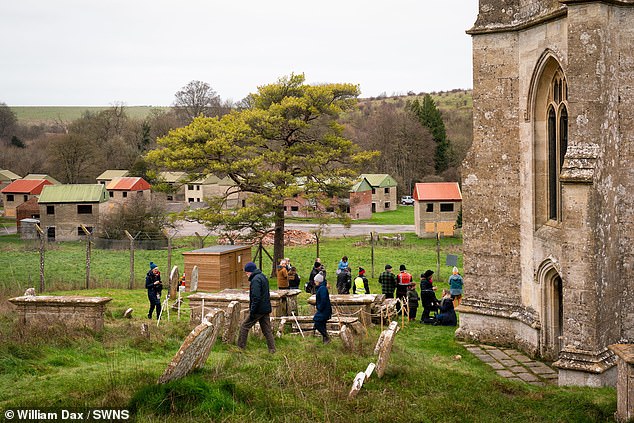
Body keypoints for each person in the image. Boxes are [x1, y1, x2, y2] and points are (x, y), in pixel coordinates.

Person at [237, 262, 276, 353]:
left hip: (258, 309)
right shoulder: (263, 277)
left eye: (246, 273)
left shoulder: (255, 280)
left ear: (250, 271)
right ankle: (272, 349)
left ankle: (240, 349)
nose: (246, 275)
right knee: (267, 330)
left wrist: (252, 311)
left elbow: (256, 297)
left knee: (244, 327)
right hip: (265, 308)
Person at [313, 273, 332, 344]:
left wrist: (319, 307)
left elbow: (323, 299)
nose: (314, 282)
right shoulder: (321, 288)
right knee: (322, 323)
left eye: (315, 281)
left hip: (324, 309)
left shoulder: (322, 289)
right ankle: (325, 339)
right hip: (324, 309)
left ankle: (326, 336)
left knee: (317, 321)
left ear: (318, 281)